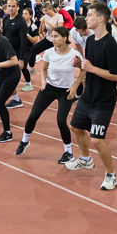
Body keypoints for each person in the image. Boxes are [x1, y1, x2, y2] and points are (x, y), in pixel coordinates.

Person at [64, 3, 117, 191]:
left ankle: (111, 175)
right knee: (75, 127)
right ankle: (85, 159)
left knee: (97, 140)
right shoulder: (89, 41)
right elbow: (89, 66)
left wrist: (91, 68)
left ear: (101, 19)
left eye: (89, 15)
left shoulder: (110, 45)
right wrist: (80, 65)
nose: (86, 18)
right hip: (88, 94)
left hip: (104, 99)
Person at [16, 26, 81, 164]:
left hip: (65, 91)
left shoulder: (74, 54)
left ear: (65, 38)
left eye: (56, 36)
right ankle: (24, 141)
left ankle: (68, 152)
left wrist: (75, 87)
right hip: (49, 88)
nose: (53, 39)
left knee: (61, 121)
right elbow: (44, 69)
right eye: (52, 36)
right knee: (33, 115)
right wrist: (43, 81)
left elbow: (84, 70)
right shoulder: (49, 52)